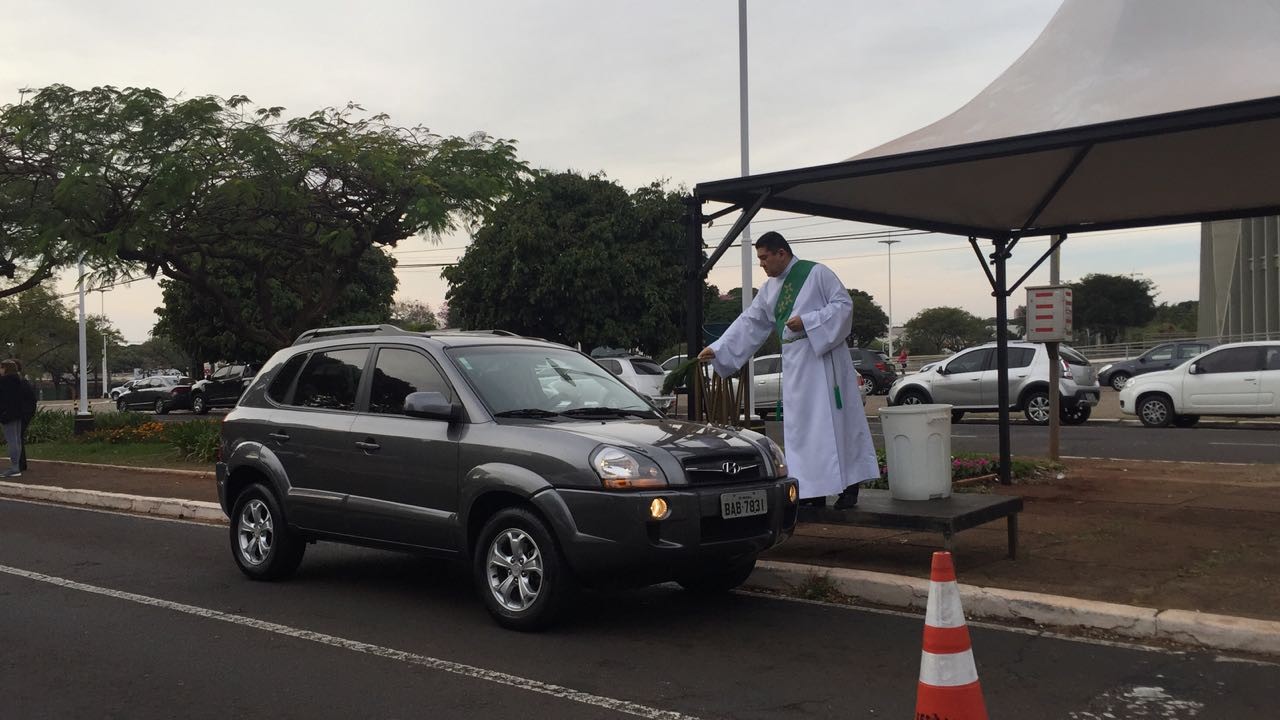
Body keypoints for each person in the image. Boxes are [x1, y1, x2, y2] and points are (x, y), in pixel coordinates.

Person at [698, 231, 879, 509]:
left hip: (824, 362)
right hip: (796, 367)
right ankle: (813, 491)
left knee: (835, 424)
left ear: (781, 253)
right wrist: (719, 349)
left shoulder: (817, 273)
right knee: (803, 430)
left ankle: (849, 487)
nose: (761, 264)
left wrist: (808, 321)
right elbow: (750, 322)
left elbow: (844, 306)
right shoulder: (769, 290)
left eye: (764, 258)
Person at [0, 359, 26, 477]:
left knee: (12, 441)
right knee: (16, 440)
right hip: (17, 413)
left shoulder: (5, 381)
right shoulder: (18, 380)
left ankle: (14, 467)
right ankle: (16, 465)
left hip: (8, 414)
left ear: (6, 368)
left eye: (1, 367)